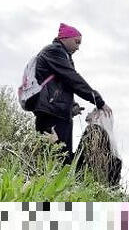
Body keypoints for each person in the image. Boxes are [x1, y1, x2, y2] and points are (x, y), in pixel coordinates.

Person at [33, 23, 112, 165]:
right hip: (51, 114)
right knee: (56, 159)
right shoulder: (54, 51)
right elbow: (72, 78)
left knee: (63, 158)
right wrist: (97, 100)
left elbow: (63, 84)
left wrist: (71, 106)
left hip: (58, 112)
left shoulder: (62, 55)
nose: (78, 47)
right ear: (65, 38)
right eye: (77, 42)